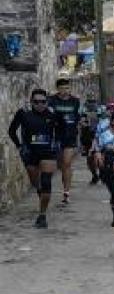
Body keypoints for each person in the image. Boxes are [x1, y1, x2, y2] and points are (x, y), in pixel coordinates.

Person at [8, 89, 62, 228]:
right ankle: (40, 192)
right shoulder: (23, 113)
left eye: (43, 102)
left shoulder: (53, 113)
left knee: (46, 182)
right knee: (35, 182)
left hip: (48, 153)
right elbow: (12, 130)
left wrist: (57, 144)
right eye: (36, 102)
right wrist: (19, 146)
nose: (40, 104)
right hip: (30, 153)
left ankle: (42, 215)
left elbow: (62, 129)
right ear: (31, 101)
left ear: (46, 101)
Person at [48, 78, 82, 205]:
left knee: (67, 163)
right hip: (55, 137)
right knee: (60, 165)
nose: (65, 91)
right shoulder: (51, 101)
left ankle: (66, 192)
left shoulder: (75, 101)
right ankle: (61, 186)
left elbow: (79, 117)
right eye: (62, 88)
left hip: (70, 136)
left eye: (67, 88)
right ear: (57, 89)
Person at [80, 96, 101, 185]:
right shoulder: (83, 110)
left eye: (93, 102)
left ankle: (100, 174)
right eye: (90, 102)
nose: (91, 104)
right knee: (89, 159)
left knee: (99, 157)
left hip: (98, 136)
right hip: (87, 136)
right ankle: (95, 175)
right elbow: (81, 123)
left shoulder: (100, 110)